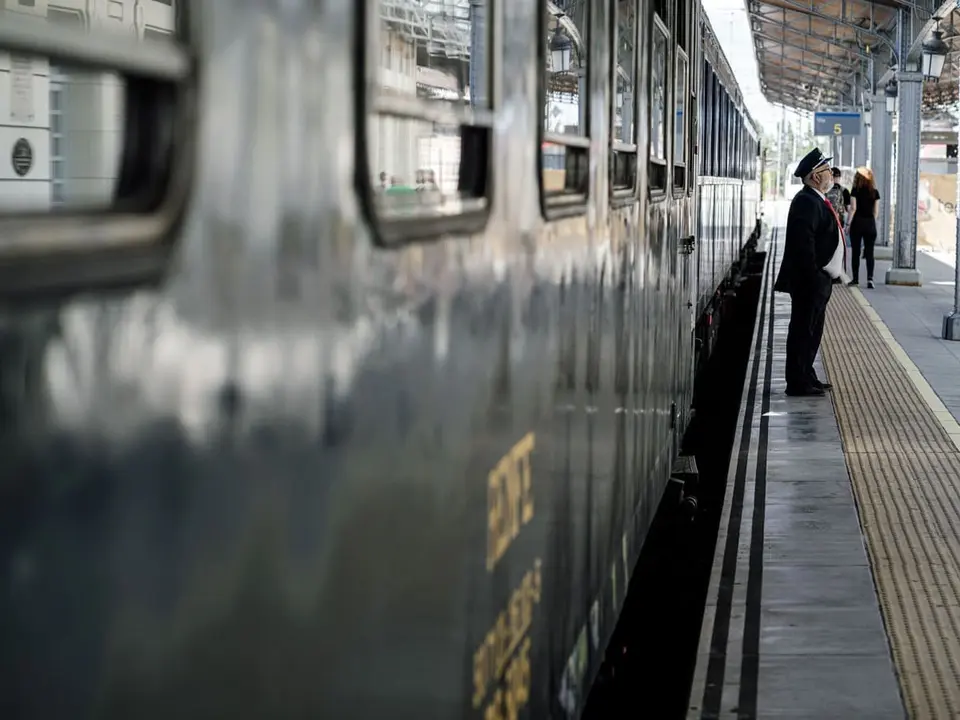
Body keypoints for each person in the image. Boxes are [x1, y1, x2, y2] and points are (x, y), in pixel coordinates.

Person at [774, 148, 845, 397]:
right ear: (815, 176)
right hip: (809, 281)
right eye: (826, 171)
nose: (831, 175)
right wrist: (814, 275)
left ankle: (806, 374)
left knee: (812, 331)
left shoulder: (815, 198)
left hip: (818, 280)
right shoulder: (807, 201)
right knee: (803, 331)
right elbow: (803, 243)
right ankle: (797, 381)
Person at [847, 166, 881, 289]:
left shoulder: (855, 190)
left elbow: (853, 209)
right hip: (870, 224)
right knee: (869, 252)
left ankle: (855, 279)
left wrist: (848, 224)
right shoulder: (875, 192)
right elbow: (875, 212)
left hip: (857, 224)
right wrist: (871, 222)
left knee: (855, 252)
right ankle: (870, 279)